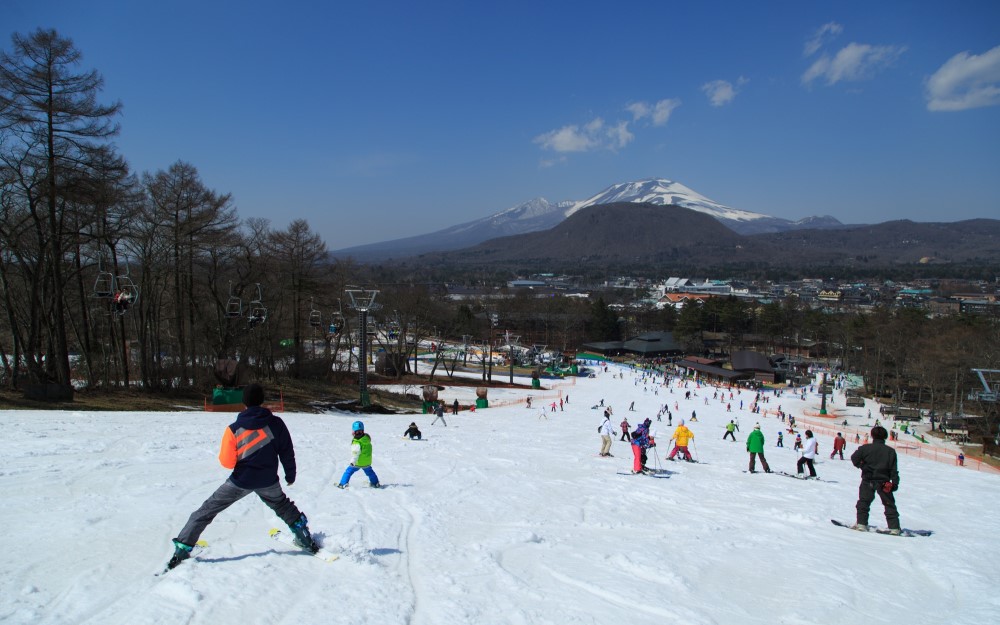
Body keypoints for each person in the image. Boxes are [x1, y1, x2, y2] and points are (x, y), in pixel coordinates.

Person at [166, 383, 317, 570]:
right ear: (262, 400)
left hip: (240, 481)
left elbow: (227, 462)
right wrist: (290, 475)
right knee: (283, 506)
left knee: (207, 510)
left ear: (244, 402)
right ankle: (304, 538)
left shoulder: (233, 429)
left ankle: (182, 549)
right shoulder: (276, 424)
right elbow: (287, 451)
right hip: (268, 480)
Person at [850, 426, 901, 534]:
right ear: (885, 436)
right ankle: (894, 528)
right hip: (884, 482)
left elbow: (854, 458)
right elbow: (894, 470)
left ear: (872, 435)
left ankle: (861, 524)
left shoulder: (865, 448)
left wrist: (863, 467)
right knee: (889, 504)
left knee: (864, 502)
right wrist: (895, 483)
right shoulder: (890, 451)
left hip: (868, 480)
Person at [337, 420, 381, 489]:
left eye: (359, 432)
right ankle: (375, 483)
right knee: (370, 472)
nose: (358, 433)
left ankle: (343, 484)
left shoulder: (357, 442)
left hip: (357, 462)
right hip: (367, 462)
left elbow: (355, 453)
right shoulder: (366, 439)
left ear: (353, 432)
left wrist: (353, 462)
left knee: (348, 472)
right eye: (357, 432)